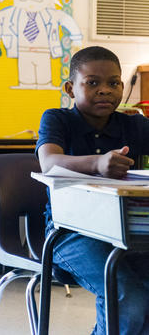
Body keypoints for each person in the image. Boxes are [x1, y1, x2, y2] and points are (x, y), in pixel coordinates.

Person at [36, 45, 149, 335]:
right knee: (129, 298)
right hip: (69, 235)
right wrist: (97, 163)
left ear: (123, 87)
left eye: (113, 83)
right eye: (93, 82)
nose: (104, 90)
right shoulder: (58, 119)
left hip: (128, 232)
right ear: (70, 88)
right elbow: (48, 162)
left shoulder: (135, 124)